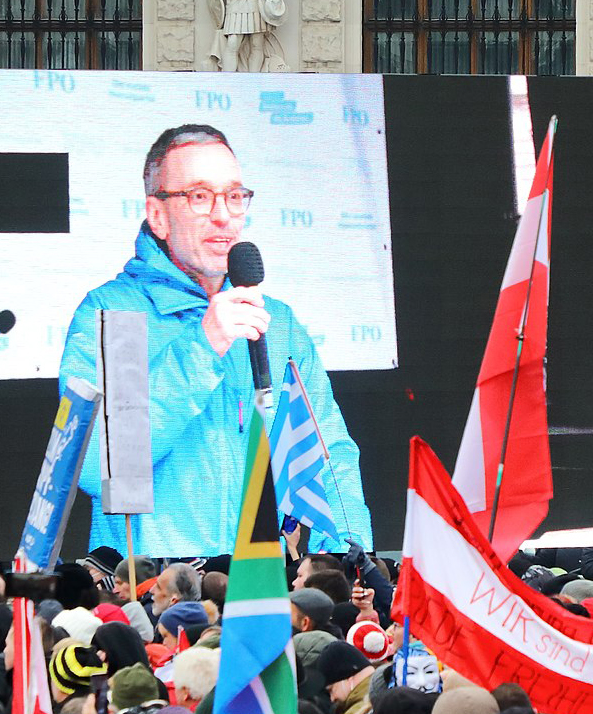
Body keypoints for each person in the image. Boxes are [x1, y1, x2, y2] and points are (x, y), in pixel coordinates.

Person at [57, 123, 373, 555]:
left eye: (235, 196)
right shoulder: (115, 314)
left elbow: (328, 456)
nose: (223, 215)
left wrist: (347, 561)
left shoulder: (275, 322)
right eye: (199, 196)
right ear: (158, 215)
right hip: (161, 592)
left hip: (261, 586)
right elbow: (98, 466)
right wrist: (202, 348)